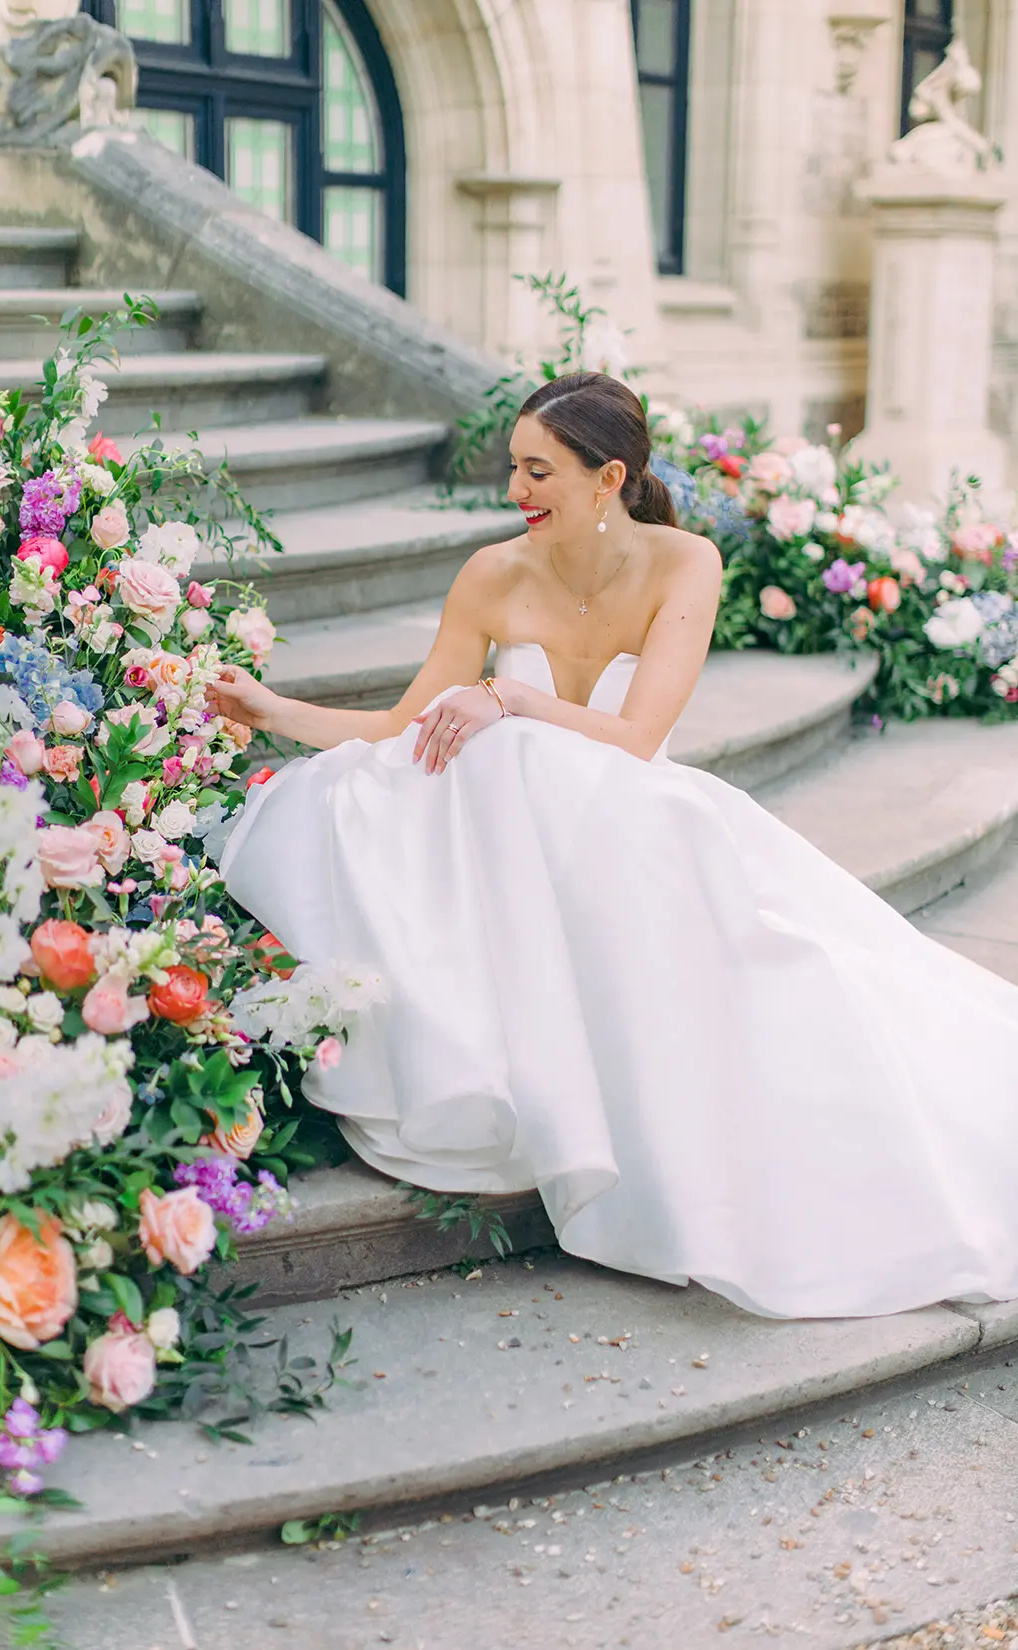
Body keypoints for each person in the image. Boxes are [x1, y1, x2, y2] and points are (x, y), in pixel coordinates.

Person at [212, 372, 1018, 1321]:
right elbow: (400, 723)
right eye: (514, 467)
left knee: (517, 752)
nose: (517, 490)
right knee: (440, 774)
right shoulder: (491, 573)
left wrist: (506, 697)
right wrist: (273, 709)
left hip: (629, 826)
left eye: (540, 470)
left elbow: (637, 739)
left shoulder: (687, 564)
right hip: (517, 851)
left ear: (610, 479)